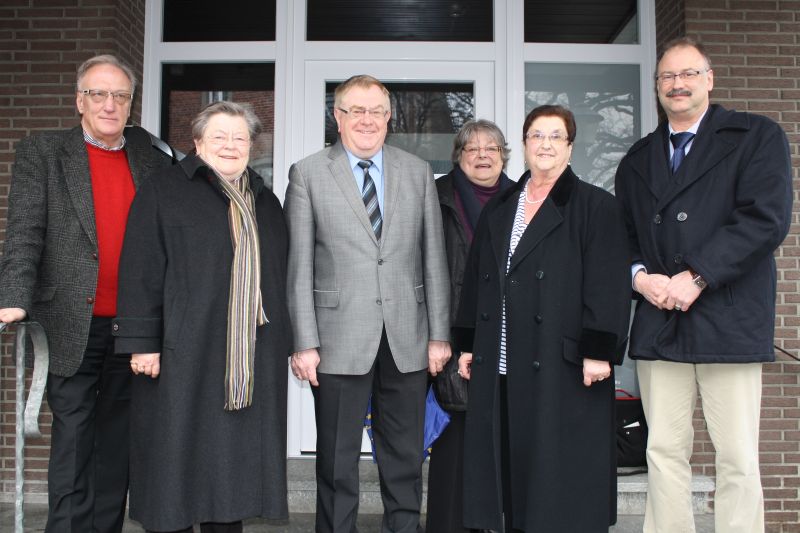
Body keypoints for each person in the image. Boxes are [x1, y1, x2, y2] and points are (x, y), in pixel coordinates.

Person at [614, 37, 792, 533]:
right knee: (664, 451)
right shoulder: (637, 158)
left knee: (736, 454)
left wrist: (698, 276)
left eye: (689, 74)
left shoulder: (756, 136)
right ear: (657, 87)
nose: (678, 84)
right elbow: (622, 235)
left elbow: (765, 220)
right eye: (668, 77)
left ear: (709, 80)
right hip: (658, 319)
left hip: (727, 316)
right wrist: (640, 278)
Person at [0, 54, 174, 533]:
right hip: (69, 322)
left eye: (120, 96)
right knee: (74, 435)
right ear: (80, 101)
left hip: (133, 326)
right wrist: (13, 294)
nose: (109, 104)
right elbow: (23, 232)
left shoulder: (151, 158)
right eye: (99, 94)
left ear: (131, 104)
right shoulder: (43, 152)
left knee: (117, 440)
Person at [112, 101, 291, 533]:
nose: (231, 146)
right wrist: (142, 343)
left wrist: (286, 344)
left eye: (240, 138)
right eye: (219, 137)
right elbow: (140, 267)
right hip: (181, 353)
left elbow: (280, 277)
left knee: (229, 474)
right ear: (197, 144)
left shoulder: (266, 202)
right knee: (175, 465)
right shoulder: (163, 190)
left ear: (252, 145)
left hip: (244, 359)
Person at [285, 74, 450, 533]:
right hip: (337, 340)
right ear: (336, 117)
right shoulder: (309, 173)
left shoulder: (417, 172)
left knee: (405, 457)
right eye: (355, 110)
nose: (366, 120)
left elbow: (432, 258)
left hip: (407, 337)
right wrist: (305, 342)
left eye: (376, 110)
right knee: (336, 462)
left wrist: (438, 335)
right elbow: (298, 265)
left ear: (389, 116)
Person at [454, 105, 631, 532]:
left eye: (555, 136)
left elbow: (608, 284)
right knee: (513, 466)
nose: (545, 144)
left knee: (560, 470)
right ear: (525, 145)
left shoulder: (595, 206)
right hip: (501, 358)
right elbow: (478, 279)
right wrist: (466, 342)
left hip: (563, 359)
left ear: (570, 147)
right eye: (537, 135)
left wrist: (599, 351)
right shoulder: (502, 205)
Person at [426, 119, 513, 533]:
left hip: (508, 334)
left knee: (501, 436)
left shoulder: (523, 198)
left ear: (504, 156)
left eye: (492, 148)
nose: (482, 155)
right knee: (455, 437)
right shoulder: (434, 196)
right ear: (458, 156)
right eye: (473, 148)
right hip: (448, 332)